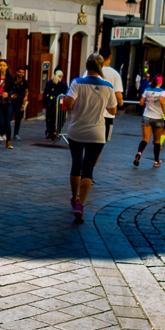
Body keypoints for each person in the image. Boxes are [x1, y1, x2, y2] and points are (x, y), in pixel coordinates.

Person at [64, 53, 117, 223]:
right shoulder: (108, 86)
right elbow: (113, 110)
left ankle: (74, 198)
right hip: (97, 132)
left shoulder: (77, 82)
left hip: (77, 131)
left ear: (86, 66)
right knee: (88, 170)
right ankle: (81, 204)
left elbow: (68, 103)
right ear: (101, 67)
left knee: (76, 165)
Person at [134, 77, 165, 167]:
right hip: (158, 117)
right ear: (160, 82)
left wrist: (148, 103)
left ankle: (139, 153)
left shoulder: (147, 90)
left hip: (147, 116)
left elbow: (141, 102)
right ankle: (156, 160)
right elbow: (161, 101)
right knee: (156, 141)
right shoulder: (162, 91)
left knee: (145, 139)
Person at [99, 46, 124, 143]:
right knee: (102, 142)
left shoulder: (90, 72)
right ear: (110, 57)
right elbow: (118, 93)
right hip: (107, 114)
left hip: (91, 113)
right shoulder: (115, 74)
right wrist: (120, 101)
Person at [0, 59, 13, 146]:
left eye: (4, 65)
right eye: (0, 65)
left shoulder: (11, 77)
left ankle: (8, 141)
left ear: (7, 66)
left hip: (7, 102)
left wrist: (7, 93)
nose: (2, 67)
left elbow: (13, 89)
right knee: (0, 121)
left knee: (7, 122)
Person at [42, 70, 68, 140]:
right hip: (59, 106)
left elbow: (45, 93)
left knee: (50, 119)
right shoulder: (63, 84)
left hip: (50, 104)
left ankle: (50, 133)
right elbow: (67, 94)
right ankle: (56, 132)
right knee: (59, 119)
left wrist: (45, 103)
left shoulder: (49, 83)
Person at [8, 66, 29, 143]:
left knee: (18, 119)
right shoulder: (12, 80)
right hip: (12, 102)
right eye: (19, 72)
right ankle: (6, 133)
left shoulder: (25, 82)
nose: (21, 74)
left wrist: (26, 97)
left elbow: (26, 90)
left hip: (20, 102)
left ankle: (16, 133)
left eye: (22, 72)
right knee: (9, 117)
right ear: (16, 72)